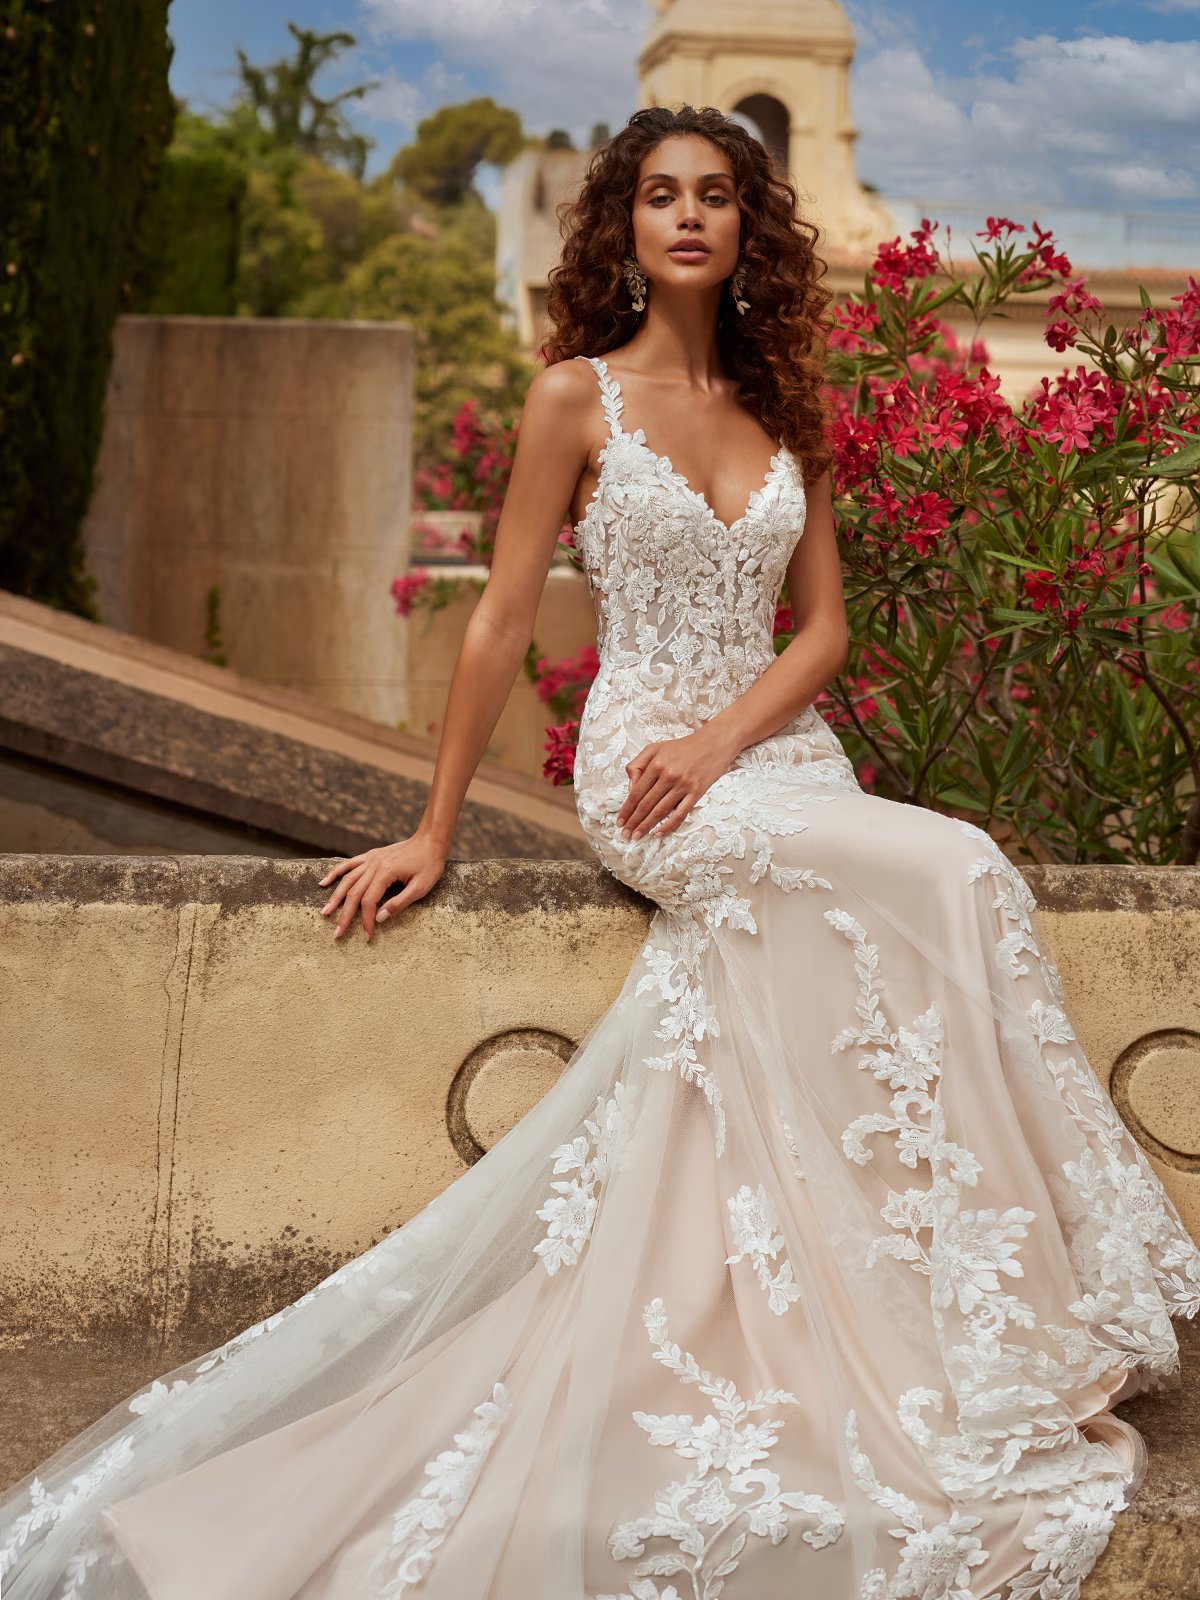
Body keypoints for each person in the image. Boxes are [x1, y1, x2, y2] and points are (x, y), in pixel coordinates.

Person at [2, 104, 1197, 1600]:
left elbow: (820, 631)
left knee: (947, 879)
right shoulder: (574, 399)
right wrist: (438, 825)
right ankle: (1011, 1322)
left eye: (713, 196)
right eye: (657, 197)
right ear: (621, 229)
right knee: (951, 872)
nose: (686, 218)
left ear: (747, 228)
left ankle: (980, 1328)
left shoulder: (784, 414)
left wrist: (731, 739)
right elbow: (503, 616)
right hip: (642, 776)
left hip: (770, 758)